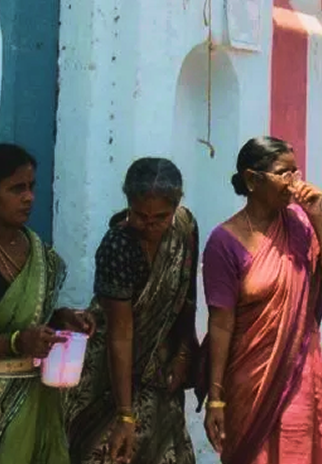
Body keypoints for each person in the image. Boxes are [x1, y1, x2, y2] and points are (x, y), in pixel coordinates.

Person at [200, 136, 322, 464]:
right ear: (252, 180)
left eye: (296, 172)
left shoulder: (304, 225)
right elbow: (220, 324)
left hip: (298, 371)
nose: (294, 182)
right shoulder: (225, 242)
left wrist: (319, 220)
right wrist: (216, 397)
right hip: (248, 380)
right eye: (284, 173)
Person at [0, 143, 93, 464]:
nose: (29, 197)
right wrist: (15, 342)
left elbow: (32, 317)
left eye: (32, 187)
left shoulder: (42, 256)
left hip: (35, 407)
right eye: (16, 188)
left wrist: (60, 320)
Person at [65, 157, 199, 464]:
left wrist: (183, 353)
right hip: (110, 368)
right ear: (128, 204)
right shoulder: (118, 245)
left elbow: (186, 295)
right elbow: (120, 332)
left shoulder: (184, 228)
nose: (150, 225)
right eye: (140, 215)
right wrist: (125, 414)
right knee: (106, 450)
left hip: (159, 366)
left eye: (160, 217)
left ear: (176, 205)